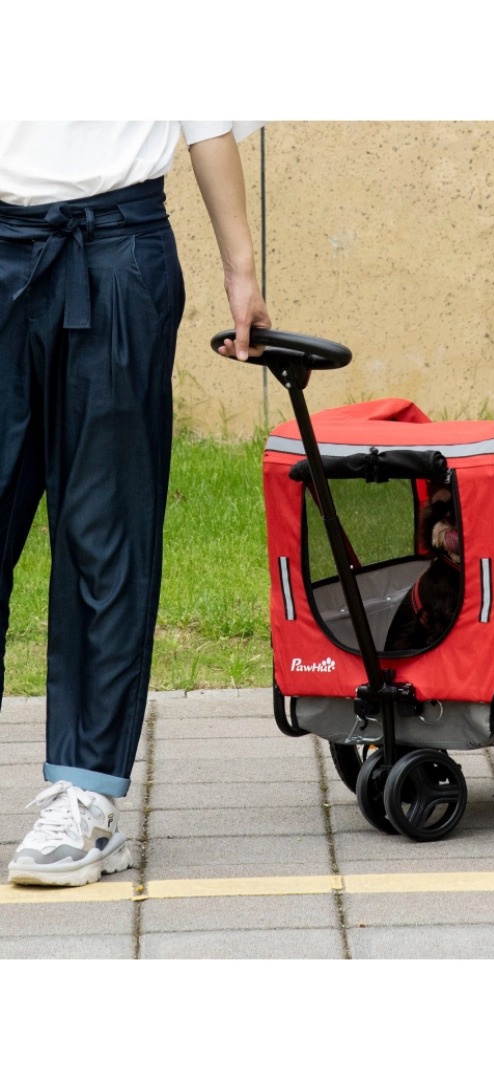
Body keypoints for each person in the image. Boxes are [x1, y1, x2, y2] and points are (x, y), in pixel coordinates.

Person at [0, 121, 271, 886]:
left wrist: (240, 269)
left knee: (102, 529)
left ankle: (86, 796)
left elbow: (208, 121)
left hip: (118, 252)